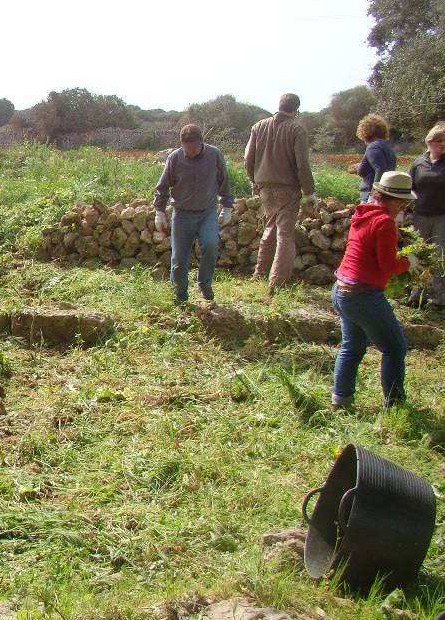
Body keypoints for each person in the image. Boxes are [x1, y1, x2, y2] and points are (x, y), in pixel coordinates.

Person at [331, 171, 417, 411]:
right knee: (395, 347)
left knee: (352, 347)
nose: (403, 207)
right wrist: (410, 262)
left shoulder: (363, 214)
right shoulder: (385, 222)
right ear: (390, 198)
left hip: (341, 291)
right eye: (401, 202)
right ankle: (396, 404)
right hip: (363, 295)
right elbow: (388, 266)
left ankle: (341, 400)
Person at [244, 93, 318, 293]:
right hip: (288, 189)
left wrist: (253, 180)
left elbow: (248, 159)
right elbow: (302, 164)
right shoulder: (297, 129)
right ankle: (277, 283)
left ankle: (260, 274)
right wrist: (310, 192)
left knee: (269, 229)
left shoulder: (259, 127)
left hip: (265, 188)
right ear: (296, 110)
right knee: (285, 233)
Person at [153, 124, 234, 305]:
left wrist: (227, 207)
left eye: (194, 149)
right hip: (182, 215)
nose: (190, 153)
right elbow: (163, 187)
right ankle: (180, 296)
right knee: (179, 259)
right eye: (187, 150)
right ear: (181, 144)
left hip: (207, 213)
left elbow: (224, 182)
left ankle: (204, 283)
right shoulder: (175, 158)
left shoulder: (214, 155)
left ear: (202, 142)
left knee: (211, 245)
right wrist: (159, 211)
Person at [406, 123, 445, 309]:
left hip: (443, 217)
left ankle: (440, 299)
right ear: (429, 141)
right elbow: (409, 189)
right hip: (421, 215)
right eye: (439, 140)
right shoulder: (419, 163)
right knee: (418, 255)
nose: (443, 144)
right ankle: (417, 294)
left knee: (440, 257)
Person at [355, 113, 397, 204]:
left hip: (370, 196)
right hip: (387, 195)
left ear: (365, 131)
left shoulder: (373, 147)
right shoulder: (388, 148)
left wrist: (374, 195)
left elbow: (380, 169)